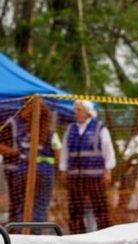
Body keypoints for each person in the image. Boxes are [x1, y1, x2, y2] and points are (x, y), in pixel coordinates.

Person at [59, 100, 115, 234]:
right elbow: (64, 151)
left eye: (79, 110)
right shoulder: (70, 129)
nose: (76, 112)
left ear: (88, 112)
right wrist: (63, 170)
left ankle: (106, 235)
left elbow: (108, 150)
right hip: (75, 177)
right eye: (75, 110)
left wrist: (108, 170)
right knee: (75, 210)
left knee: (100, 208)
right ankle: (77, 236)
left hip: (95, 176)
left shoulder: (100, 128)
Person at [0, 99, 60, 223]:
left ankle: (19, 232)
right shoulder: (52, 135)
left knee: (21, 207)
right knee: (39, 208)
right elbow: (58, 156)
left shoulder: (24, 134)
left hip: (21, 171)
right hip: (44, 173)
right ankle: (35, 233)